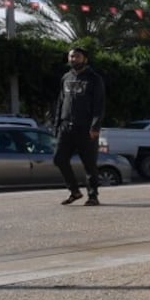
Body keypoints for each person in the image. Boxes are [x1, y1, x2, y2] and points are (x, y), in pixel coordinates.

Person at [53, 46, 106, 206]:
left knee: (89, 164)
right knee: (59, 159)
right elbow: (61, 103)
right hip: (66, 127)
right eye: (71, 57)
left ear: (85, 59)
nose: (72, 59)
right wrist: (56, 125)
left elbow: (99, 105)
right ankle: (74, 191)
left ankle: (93, 196)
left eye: (76, 56)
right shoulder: (66, 78)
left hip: (86, 129)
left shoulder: (94, 79)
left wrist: (95, 127)